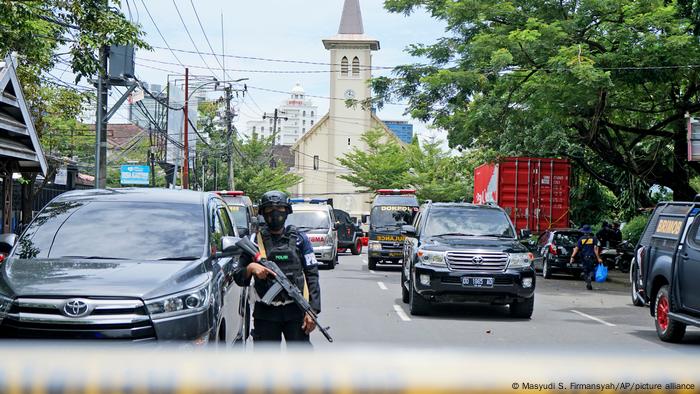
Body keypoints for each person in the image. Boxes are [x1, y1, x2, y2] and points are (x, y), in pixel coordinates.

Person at [233, 191, 321, 345]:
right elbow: (238, 276)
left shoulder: (300, 240)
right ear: (262, 213)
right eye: (269, 210)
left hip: (295, 310)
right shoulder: (253, 241)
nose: (275, 214)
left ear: (287, 212)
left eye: (280, 209)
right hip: (265, 313)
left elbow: (312, 275)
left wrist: (312, 311)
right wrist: (251, 268)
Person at [570, 225, 603, 290]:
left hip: (584, 257)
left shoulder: (581, 239)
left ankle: (587, 279)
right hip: (592, 257)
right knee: (592, 270)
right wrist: (598, 258)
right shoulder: (594, 238)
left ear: (583, 231)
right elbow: (595, 249)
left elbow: (576, 248)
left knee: (585, 270)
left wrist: (572, 257)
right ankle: (590, 277)